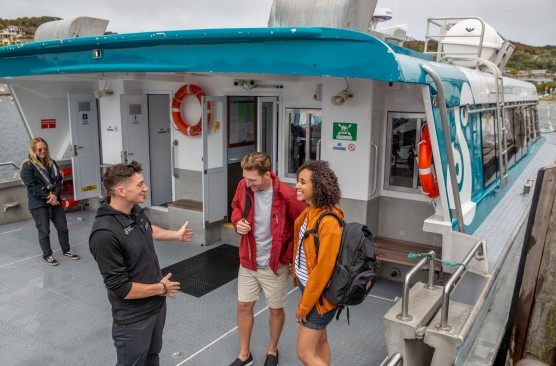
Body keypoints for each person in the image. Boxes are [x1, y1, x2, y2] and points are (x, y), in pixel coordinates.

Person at [89, 161, 194, 366]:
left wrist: (176, 235)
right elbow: (121, 288)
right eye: (139, 185)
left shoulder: (134, 211)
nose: (145, 188)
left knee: (152, 357)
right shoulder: (104, 234)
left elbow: (146, 228)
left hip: (156, 306)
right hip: (133, 320)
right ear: (120, 191)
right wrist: (161, 288)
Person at [230, 152, 306, 366]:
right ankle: (244, 355)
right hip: (248, 261)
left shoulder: (287, 195)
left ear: (267, 175)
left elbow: (303, 227)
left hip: (274, 265)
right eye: (246, 178)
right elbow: (236, 206)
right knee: (243, 306)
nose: (248, 183)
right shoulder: (243, 186)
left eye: (253, 180)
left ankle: (272, 350)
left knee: (275, 309)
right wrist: (238, 222)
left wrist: (287, 256)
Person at [293, 160, 343, 366]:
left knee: (304, 353)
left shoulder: (329, 222)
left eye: (303, 182)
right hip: (309, 290)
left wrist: (304, 307)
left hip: (319, 297)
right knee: (320, 340)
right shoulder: (310, 212)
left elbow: (323, 270)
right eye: (298, 180)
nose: (297, 185)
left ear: (318, 186)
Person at [20, 137, 80, 265]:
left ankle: (66, 250)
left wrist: (55, 195)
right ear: (33, 150)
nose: (43, 151)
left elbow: (58, 181)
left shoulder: (51, 163)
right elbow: (31, 186)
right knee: (44, 230)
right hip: (39, 203)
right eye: (40, 149)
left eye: (45, 149)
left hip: (54, 201)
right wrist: (49, 197)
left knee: (62, 227)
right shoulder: (27, 166)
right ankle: (47, 255)